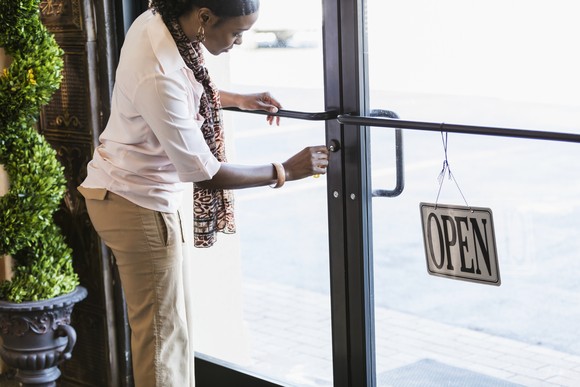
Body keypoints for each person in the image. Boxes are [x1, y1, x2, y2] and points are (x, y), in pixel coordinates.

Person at [77, 0, 329, 386]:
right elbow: (206, 173)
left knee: (168, 329)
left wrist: (234, 98)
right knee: (163, 341)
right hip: (136, 206)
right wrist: (285, 171)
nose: (239, 42)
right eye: (236, 33)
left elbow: (181, 96)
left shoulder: (157, 20)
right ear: (205, 16)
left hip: (123, 194)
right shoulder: (159, 70)